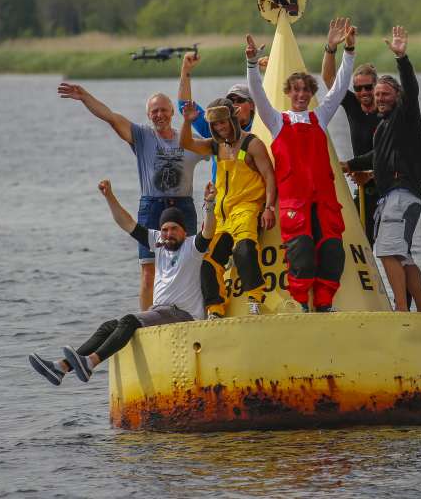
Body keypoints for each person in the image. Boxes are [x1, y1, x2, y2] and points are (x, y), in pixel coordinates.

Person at [27, 179, 215, 386]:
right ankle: (61, 368)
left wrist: (209, 204)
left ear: (184, 230)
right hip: (160, 311)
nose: (168, 234)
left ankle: (90, 363)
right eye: (165, 229)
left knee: (128, 320)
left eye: (173, 229)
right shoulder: (159, 243)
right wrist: (109, 197)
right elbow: (127, 223)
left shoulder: (193, 247)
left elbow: (208, 231)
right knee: (109, 326)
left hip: (181, 314)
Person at [58, 83, 208, 310]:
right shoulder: (141, 136)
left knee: (192, 265)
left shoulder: (188, 139)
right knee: (149, 271)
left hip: (183, 208)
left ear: (172, 112)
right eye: (154, 111)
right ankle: (148, 321)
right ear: (148, 115)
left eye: (164, 110)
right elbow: (110, 117)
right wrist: (85, 97)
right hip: (153, 205)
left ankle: (196, 315)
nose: (160, 115)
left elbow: (220, 149)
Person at [246, 17, 355, 312]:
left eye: (305, 90)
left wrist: (347, 51)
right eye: (295, 90)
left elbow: (340, 89)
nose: (301, 95)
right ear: (288, 93)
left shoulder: (320, 117)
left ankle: (324, 304)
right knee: (301, 253)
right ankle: (301, 305)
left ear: (310, 94)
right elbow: (257, 94)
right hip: (295, 204)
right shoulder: (277, 122)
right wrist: (252, 65)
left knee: (333, 251)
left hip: (325, 201)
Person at [341, 26, 421, 312]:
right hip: (399, 196)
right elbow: (376, 155)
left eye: (384, 93)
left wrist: (402, 58)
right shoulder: (384, 126)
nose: (378, 98)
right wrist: (350, 165)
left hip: (401, 194)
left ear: (397, 95)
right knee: (403, 256)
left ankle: (401, 311)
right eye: (376, 94)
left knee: (387, 252)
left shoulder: (405, 116)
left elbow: (412, 89)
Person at [180, 97, 276, 317]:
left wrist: (269, 207)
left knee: (244, 250)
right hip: (222, 216)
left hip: (247, 208)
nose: (220, 128)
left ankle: (255, 298)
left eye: (223, 122)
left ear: (232, 119)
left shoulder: (252, 144)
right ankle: (215, 308)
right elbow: (185, 143)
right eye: (215, 124)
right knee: (208, 261)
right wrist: (187, 121)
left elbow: (270, 176)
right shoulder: (215, 145)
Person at [321, 45, 380, 243]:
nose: (363, 92)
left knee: (389, 247)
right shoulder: (353, 103)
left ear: (376, 86)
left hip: (387, 183)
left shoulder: (387, 109)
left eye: (368, 87)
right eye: (358, 88)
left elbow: (394, 151)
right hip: (363, 186)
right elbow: (329, 80)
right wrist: (330, 49)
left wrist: (369, 173)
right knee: (357, 239)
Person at [177, 51, 256, 182]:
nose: (235, 104)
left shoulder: (261, 128)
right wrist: (186, 69)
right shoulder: (216, 128)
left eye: (240, 100)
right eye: (231, 101)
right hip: (220, 199)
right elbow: (184, 105)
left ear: (252, 105)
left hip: (250, 200)